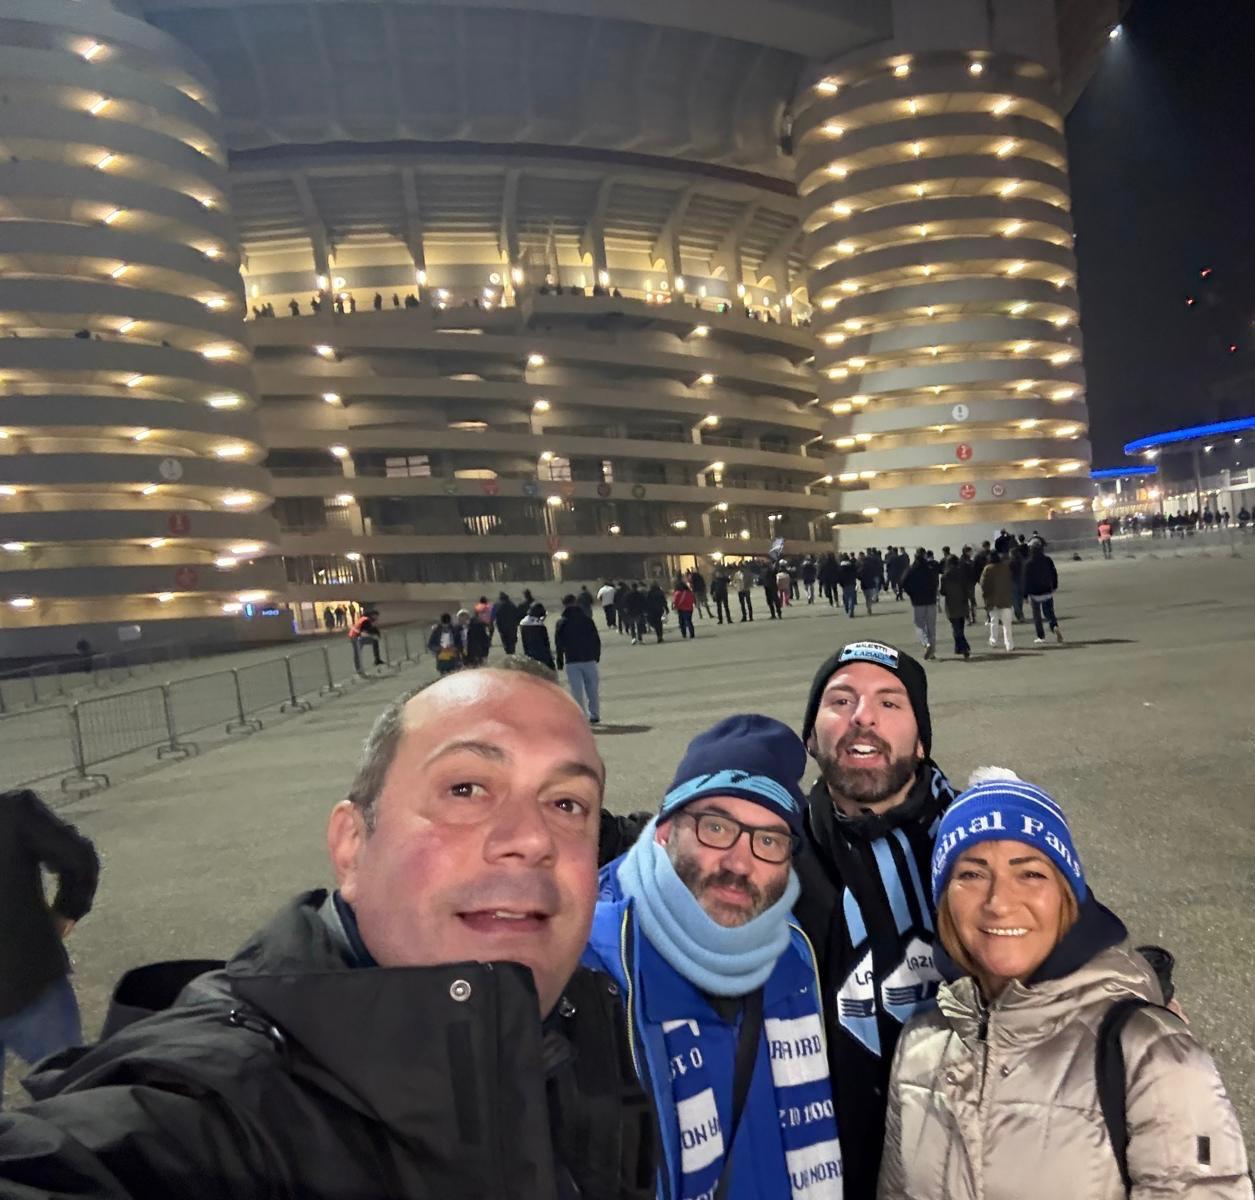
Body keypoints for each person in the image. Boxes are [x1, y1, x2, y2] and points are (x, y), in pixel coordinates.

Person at [0, 669, 656, 1198]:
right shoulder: (218, 1111)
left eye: (567, 803)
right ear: (351, 842)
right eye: (466, 788)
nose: (532, 838)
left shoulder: (590, 1023)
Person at [880, 771, 1253, 1200]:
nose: (999, 902)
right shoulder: (919, 1045)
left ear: (1067, 895)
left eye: (1031, 874)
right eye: (971, 874)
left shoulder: (1150, 1053)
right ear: (944, 900)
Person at [584, 717, 844, 1200]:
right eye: (716, 826)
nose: (739, 862)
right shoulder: (592, 963)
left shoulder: (790, 950)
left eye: (768, 840)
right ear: (664, 830)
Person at [792, 640, 957, 1197]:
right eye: (841, 701)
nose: (863, 717)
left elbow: (1081, 957)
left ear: (922, 739)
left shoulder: (982, 850)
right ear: (810, 737)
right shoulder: (771, 853)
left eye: (890, 703)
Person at [1, 790, 99, 1109]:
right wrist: (67, 909)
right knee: (69, 1095)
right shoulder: (14, 811)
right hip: (29, 981)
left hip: (29, 983)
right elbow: (79, 858)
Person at [555, 593, 602, 724]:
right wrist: (596, 654)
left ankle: (581, 716)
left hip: (572, 659)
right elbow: (595, 639)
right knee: (592, 688)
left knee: (576, 690)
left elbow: (559, 644)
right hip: (588, 657)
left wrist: (559, 660)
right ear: (576, 602)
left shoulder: (561, 622)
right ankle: (594, 714)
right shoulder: (587, 620)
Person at [901, 548, 938, 660]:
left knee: (919, 625)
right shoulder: (930, 568)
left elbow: (903, 582)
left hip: (918, 601)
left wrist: (911, 593)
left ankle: (926, 643)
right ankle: (932, 652)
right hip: (931, 600)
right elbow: (935, 582)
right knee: (931, 626)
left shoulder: (911, 569)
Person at [1024, 541, 1064, 645]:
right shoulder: (1048, 560)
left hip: (1035, 593)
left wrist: (1025, 595)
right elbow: (1054, 573)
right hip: (1047, 590)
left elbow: (1026, 580)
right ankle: (1054, 626)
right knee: (1049, 612)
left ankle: (1041, 636)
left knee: (1037, 616)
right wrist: (1054, 586)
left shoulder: (1028, 563)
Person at [979, 549, 1014, 652]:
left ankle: (993, 640)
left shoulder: (987, 569)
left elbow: (983, 584)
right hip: (1005, 599)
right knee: (1007, 624)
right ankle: (1009, 644)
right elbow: (1009, 581)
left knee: (994, 621)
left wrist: (985, 595)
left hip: (992, 599)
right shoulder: (1005, 567)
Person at [939, 556, 971, 660]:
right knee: (960, 626)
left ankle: (963, 646)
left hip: (951, 603)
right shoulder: (962, 573)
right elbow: (967, 587)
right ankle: (959, 647)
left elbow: (942, 592)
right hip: (962, 601)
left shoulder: (945, 576)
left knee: (955, 626)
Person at [519, 601, 555, 670]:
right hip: (542, 656)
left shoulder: (523, 623)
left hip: (529, 655)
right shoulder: (540, 627)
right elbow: (546, 643)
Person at [349, 607, 384, 672]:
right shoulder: (366, 620)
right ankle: (358, 668)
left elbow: (372, 629)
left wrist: (376, 634)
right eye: (376, 616)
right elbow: (368, 630)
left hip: (356, 637)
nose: (377, 618)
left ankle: (377, 660)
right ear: (372, 615)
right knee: (357, 653)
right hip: (355, 637)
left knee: (373, 642)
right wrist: (375, 635)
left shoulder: (365, 619)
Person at [492, 591, 521, 655]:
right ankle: (512, 653)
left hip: (502, 627)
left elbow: (493, 615)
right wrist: (517, 623)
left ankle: (508, 652)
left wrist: (493, 623)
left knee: (505, 641)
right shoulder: (512, 604)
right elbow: (517, 614)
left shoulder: (497, 605)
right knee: (512, 642)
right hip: (512, 626)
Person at [838, 554, 859, 618]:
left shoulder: (840, 567)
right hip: (852, 582)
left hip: (844, 584)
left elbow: (839, 576)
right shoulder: (852, 566)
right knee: (851, 597)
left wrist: (840, 582)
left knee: (846, 597)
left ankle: (847, 608)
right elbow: (856, 574)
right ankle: (851, 611)